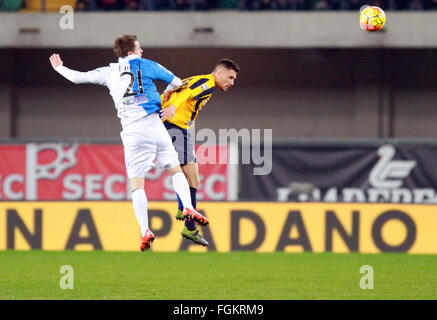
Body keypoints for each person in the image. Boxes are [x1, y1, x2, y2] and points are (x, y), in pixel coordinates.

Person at [49, 34, 209, 251]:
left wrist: (59, 68)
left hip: (133, 131)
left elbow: (78, 78)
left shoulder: (108, 71)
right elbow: (178, 82)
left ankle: (145, 230)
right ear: (133, 51)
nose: (142, 51)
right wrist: (167, 92)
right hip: (155, 123)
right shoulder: (149, 65)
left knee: (137, 184)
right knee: (175, 170)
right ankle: (188, 207)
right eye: (139, 48)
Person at [160, 58, 239, 246]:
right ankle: (187, 221)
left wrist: (164, 107)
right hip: (176, 127)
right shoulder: (208, 83)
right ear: (218, 73)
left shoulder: (195, 78)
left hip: (175, 127)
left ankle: (185, 214)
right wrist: (172, 108)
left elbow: (171, 90)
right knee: (190, 178)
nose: (232, 83)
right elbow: (185, 94)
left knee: (189, 176)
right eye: (230, 77)